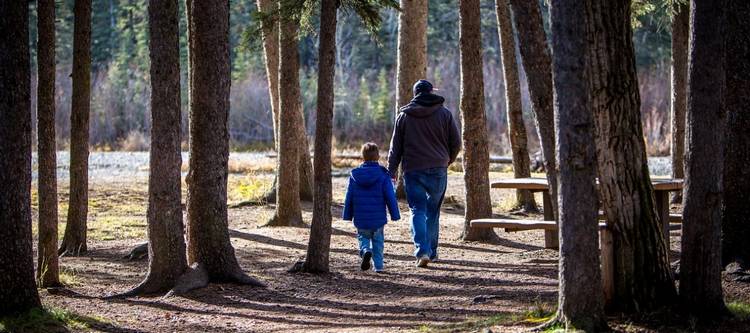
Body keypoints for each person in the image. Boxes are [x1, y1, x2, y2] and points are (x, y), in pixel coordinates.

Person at [388, 79, 461, 268]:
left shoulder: (404, 116)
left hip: (413, 170)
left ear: (415, 94)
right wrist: (448, 159)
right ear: (430, 92)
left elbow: (395, 148)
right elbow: (456, 142)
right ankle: (432, 252)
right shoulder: (444, 114)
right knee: (433, 212)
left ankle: (422, 251)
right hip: (438, 168)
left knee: (417, 210)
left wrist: (391, 170)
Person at [343, 142, 401, 272]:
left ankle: (365, 250)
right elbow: (390, 196)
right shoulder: (383, 175)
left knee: (363, 237)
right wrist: (395, 214)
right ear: (378, 157)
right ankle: (379, 266)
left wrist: (347, 214)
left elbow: (349, 195)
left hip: (361, 217)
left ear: (362, 157)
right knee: (378, 241)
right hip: (378, 218)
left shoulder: (355, 176)